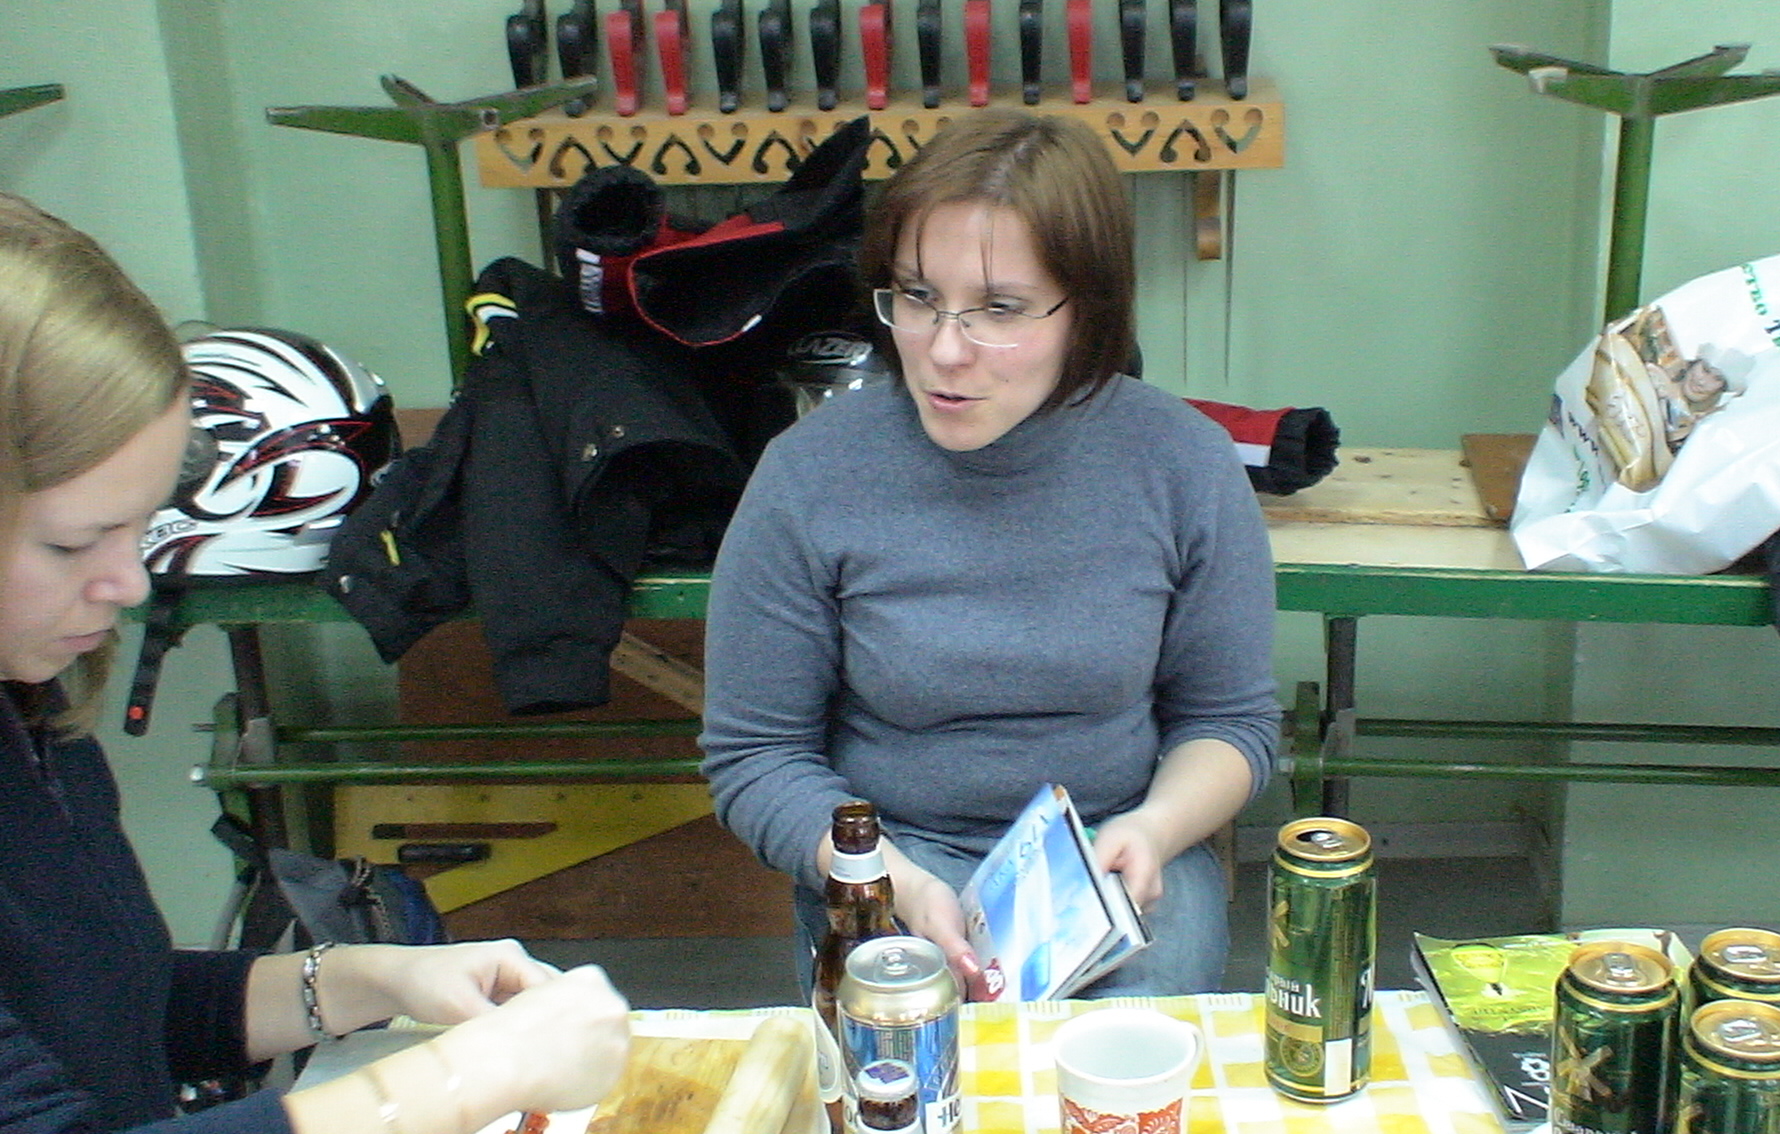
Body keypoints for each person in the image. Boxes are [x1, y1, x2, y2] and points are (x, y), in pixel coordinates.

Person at [0, 191, 632, 1134]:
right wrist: (465, 1080)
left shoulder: (31, 711)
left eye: (138, 528)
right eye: (72, 542)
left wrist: (362, 979)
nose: (128, 584)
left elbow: (111, 1012)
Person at [700, 109, 1281, 997]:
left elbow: (1229, 721)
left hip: (1113, 848)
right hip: (894, 854)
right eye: (916, 297)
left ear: (1086, 308)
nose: (943, 350)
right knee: (916, 1058)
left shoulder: (1183, 464)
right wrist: (887, 879)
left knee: (1127, 1057)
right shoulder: (810, 474)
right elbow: (755, 755)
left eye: (998, 309)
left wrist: (1157, 828)